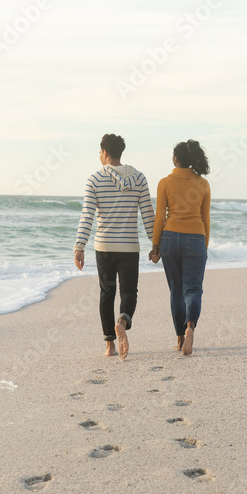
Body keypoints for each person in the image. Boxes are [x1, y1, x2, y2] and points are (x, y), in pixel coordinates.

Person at [74, 134, 155, 359]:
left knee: (106, 293)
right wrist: (155, 243)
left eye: (99, 152)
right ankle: (123, 322)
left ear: (105, 152)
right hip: (129, 246)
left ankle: (110, 346)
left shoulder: (94, 179)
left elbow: (87, 216)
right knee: (129, 292)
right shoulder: (139, 178)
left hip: (104, 247)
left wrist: (79, 246)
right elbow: (148, 215)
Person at [149, 140, 211, 356]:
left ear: (175, 159)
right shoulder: (203, 184)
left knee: (176, 290)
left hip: (170, 238)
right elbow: (205, 218)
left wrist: (155, 246)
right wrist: (204, 245)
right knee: (193, 289)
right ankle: (190, 326)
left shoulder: (164, 182)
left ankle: (180, 339)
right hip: (196, 238)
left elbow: (159, 218)